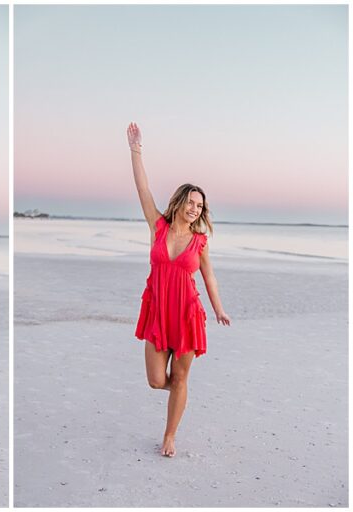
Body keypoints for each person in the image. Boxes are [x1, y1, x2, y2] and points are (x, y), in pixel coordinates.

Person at [128, 122, 231, 458]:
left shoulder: (200, 242)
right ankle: (180, 394)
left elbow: (209, 276)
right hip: (158, 313)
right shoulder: (157, 227)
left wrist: (218, 309)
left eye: (199, 206)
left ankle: (170, 436)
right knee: (158, 380)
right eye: (190, 202)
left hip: (188, 315)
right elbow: (142, 190)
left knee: (181, 377)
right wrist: (136, 150)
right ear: (179, 202)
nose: (194, 209)